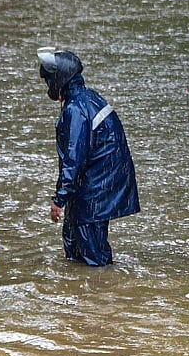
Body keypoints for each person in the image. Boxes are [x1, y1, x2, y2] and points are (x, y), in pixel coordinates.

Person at [37, 48, 140, 266]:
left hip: (94, 191)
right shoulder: (89, 98)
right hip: (98, 185)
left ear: (59, 80)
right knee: (74, 243)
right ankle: (83, 292)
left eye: (48, 81)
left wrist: (59, 199)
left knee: (92, 253)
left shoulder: (75, 109)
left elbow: (74, 158)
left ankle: (99, 292)